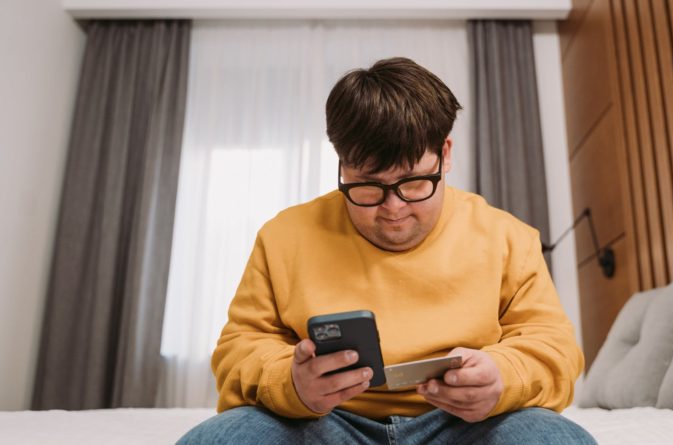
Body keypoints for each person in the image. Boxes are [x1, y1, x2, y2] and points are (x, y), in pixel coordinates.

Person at [178, 57, 595, 444]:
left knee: (554, 438)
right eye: (368, 186)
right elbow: (238, 349)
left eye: (413, 183)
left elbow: (553, 347)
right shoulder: (283, 236)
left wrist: (503, 377)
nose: (393, 208)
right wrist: (292, 383)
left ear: (444, 155)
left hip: (465, 426)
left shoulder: (508, 237)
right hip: (325, 424)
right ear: (342, 164)